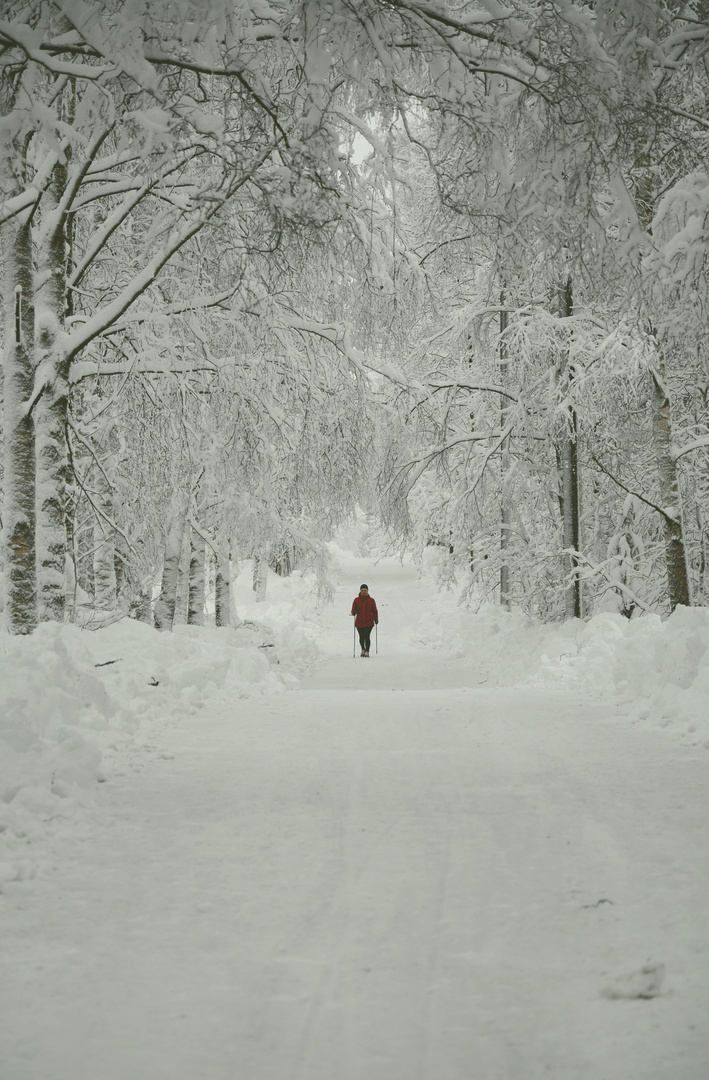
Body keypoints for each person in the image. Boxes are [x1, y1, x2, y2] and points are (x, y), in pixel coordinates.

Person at [351, 584, 378, 657]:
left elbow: (375, 610)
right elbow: (353, 610)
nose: (363, 592)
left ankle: (367, 651)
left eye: (365, 590)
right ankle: (363, 649)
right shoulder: (356, 600)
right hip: (359, 621)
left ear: (367, 591)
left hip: (369, 621)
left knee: (367, 636)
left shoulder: (371, 600)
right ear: (360, 591)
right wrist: (354, 612)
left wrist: (376, 618)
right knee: (361, 637)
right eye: (362, 590)